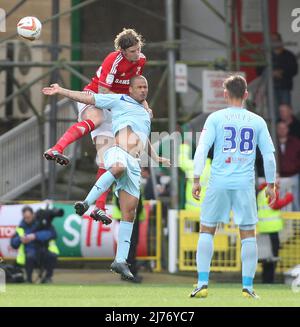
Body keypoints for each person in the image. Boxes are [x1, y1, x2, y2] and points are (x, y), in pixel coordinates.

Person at [42, 75, 170, 280]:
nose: (144, 90)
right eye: (139, 87)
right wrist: (62, 91)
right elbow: (89, 99)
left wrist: (157, 157)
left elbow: (143, 137)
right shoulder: (118, 100)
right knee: (117, 167)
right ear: (130, 89)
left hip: (134, 163)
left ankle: (120, 261)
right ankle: (86, 203)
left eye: (146, 86)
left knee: (129, 214)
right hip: (117, 152)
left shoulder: (146, 113)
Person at [44, 28, 149, 224]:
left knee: (108, 158)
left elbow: (133, 88)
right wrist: (123, 107)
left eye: (138, 49)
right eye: (133, 51)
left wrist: (143, 104)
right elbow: (102, 92)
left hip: (113, 105)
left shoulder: (141, 60)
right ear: (123, 51)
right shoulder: (113, 60)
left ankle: (98, 208)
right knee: (97, 119)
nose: (137, 54)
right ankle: (57, 148)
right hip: (94, 97)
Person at [191, 75, 276, 299]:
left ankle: (202, 283)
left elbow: (202, 149)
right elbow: (268, 156)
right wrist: (271, 184)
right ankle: (247, 286)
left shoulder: (215, 118)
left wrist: (196, 178)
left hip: (218, 181)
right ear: (246, 94)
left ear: (225, 94)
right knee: (248, 233)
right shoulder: (257, 121)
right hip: (244, 184)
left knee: (207, 229)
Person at [257, 179, 293, 284]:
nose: (279, 181)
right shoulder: (270, 190)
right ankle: (269, 280)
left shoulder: (261, 191)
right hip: (272, 229)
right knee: (273, 256)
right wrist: (288, 198)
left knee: (266, 257)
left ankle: (266, 279)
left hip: (264, 228)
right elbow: (274, 205)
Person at [10, 206, 59, 284]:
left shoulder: (42, 222)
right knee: (30, 256)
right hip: (30, 252)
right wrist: (20, 239)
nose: (27, 219)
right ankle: (28, 279)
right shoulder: (21, 227)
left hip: (43, 251)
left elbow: (52, 234)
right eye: (25, 217)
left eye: (28, 217)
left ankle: (47, 278)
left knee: (52, 256)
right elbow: (13, 244)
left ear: (33, 215)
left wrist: (35, 236)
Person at [276, 121, 300, 211]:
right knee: (280, 201)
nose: (282, 130)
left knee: (295, 201)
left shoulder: (295, 142)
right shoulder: (272, 142)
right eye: (279, 128)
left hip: (293, 176)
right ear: (276, 130)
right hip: (279, 177)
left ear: (288, 129)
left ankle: (297, 222)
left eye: (284, 128)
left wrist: (295, 167)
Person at [271, 33, 298, 110]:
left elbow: (294, 70)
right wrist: (271, 73)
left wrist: (282, 72)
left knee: (286, 110)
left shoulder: (289, 55)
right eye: (272, 40)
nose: (274, 42)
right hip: (271, 88)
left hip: (285, 87)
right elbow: (259, 70)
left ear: (280, 41)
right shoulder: (267, 56)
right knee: (273, 111)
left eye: (276, 40)